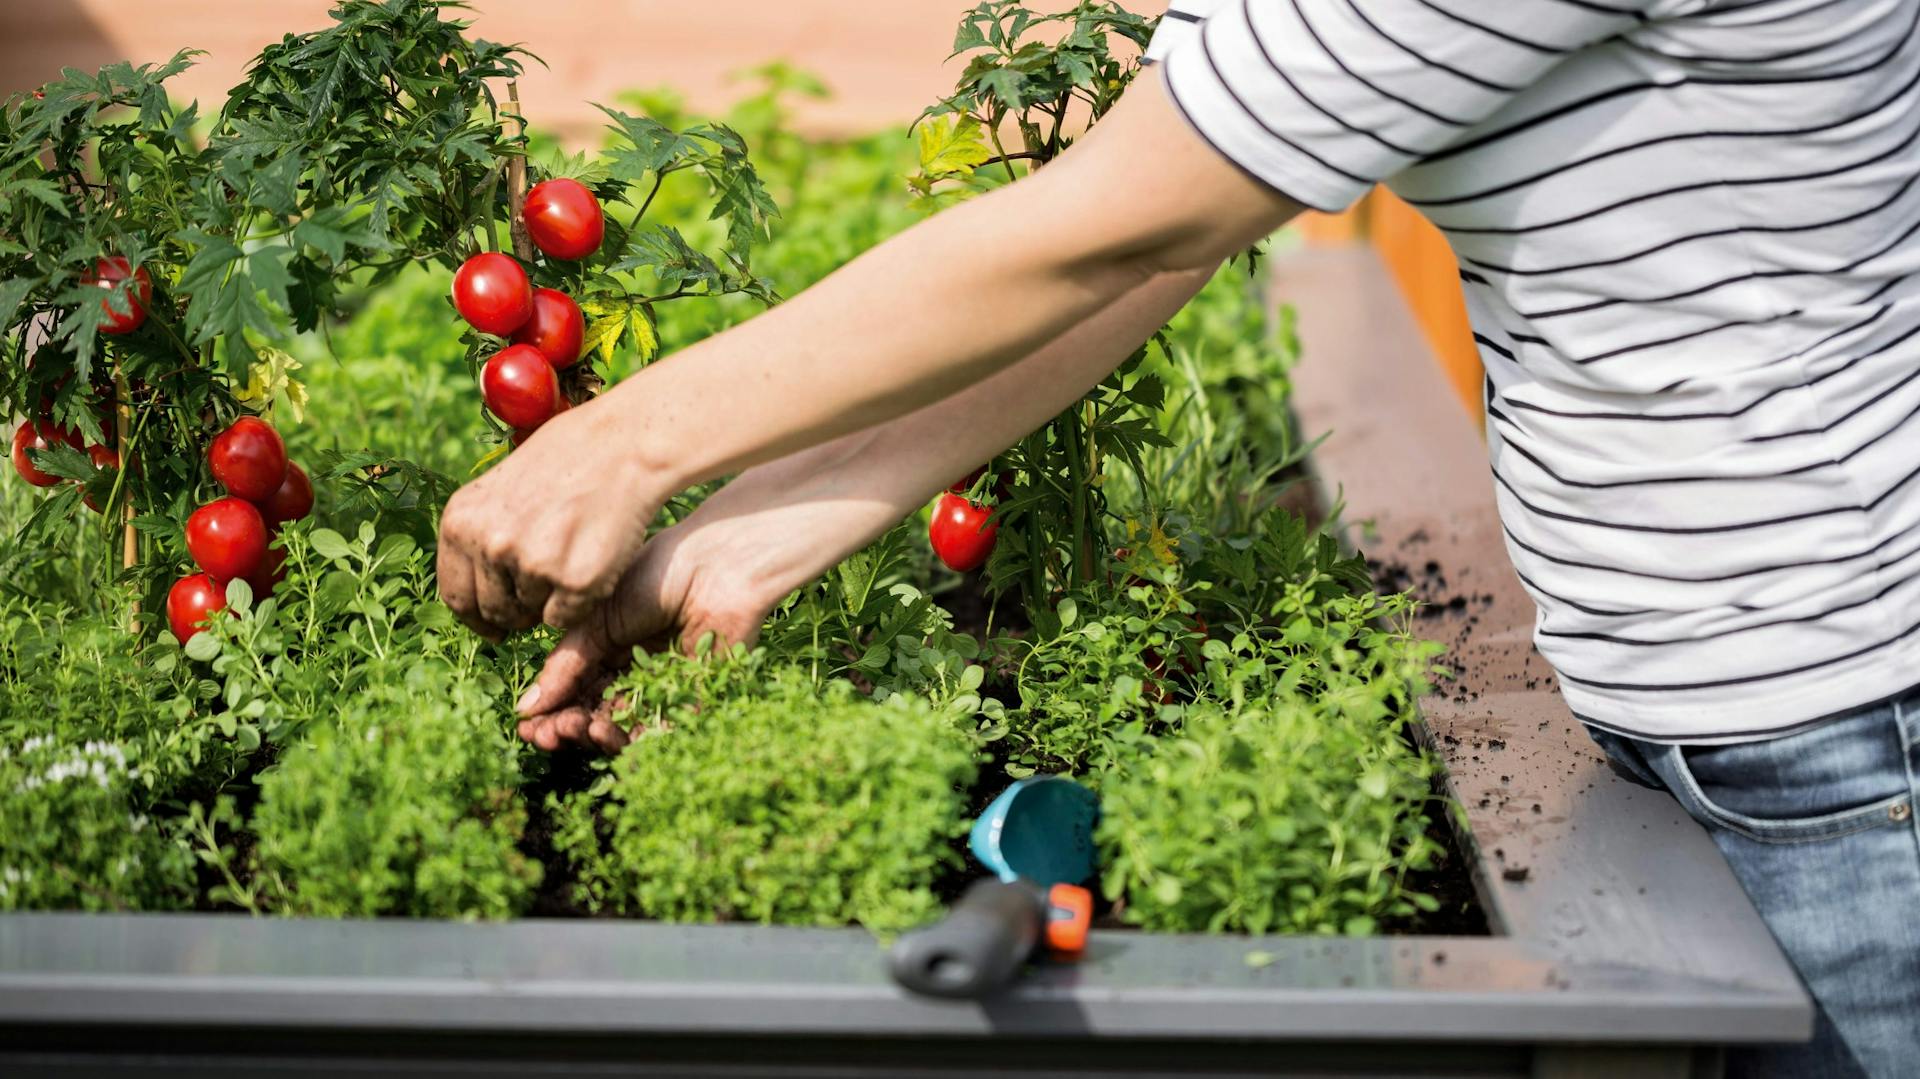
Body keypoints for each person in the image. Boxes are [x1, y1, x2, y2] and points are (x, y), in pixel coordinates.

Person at [438, 1, 1920, 1073]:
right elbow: (1191, 199)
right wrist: (746, 535)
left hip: (1847, 729)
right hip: (1752, 716)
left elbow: (1125, 223)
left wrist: (626, 442)